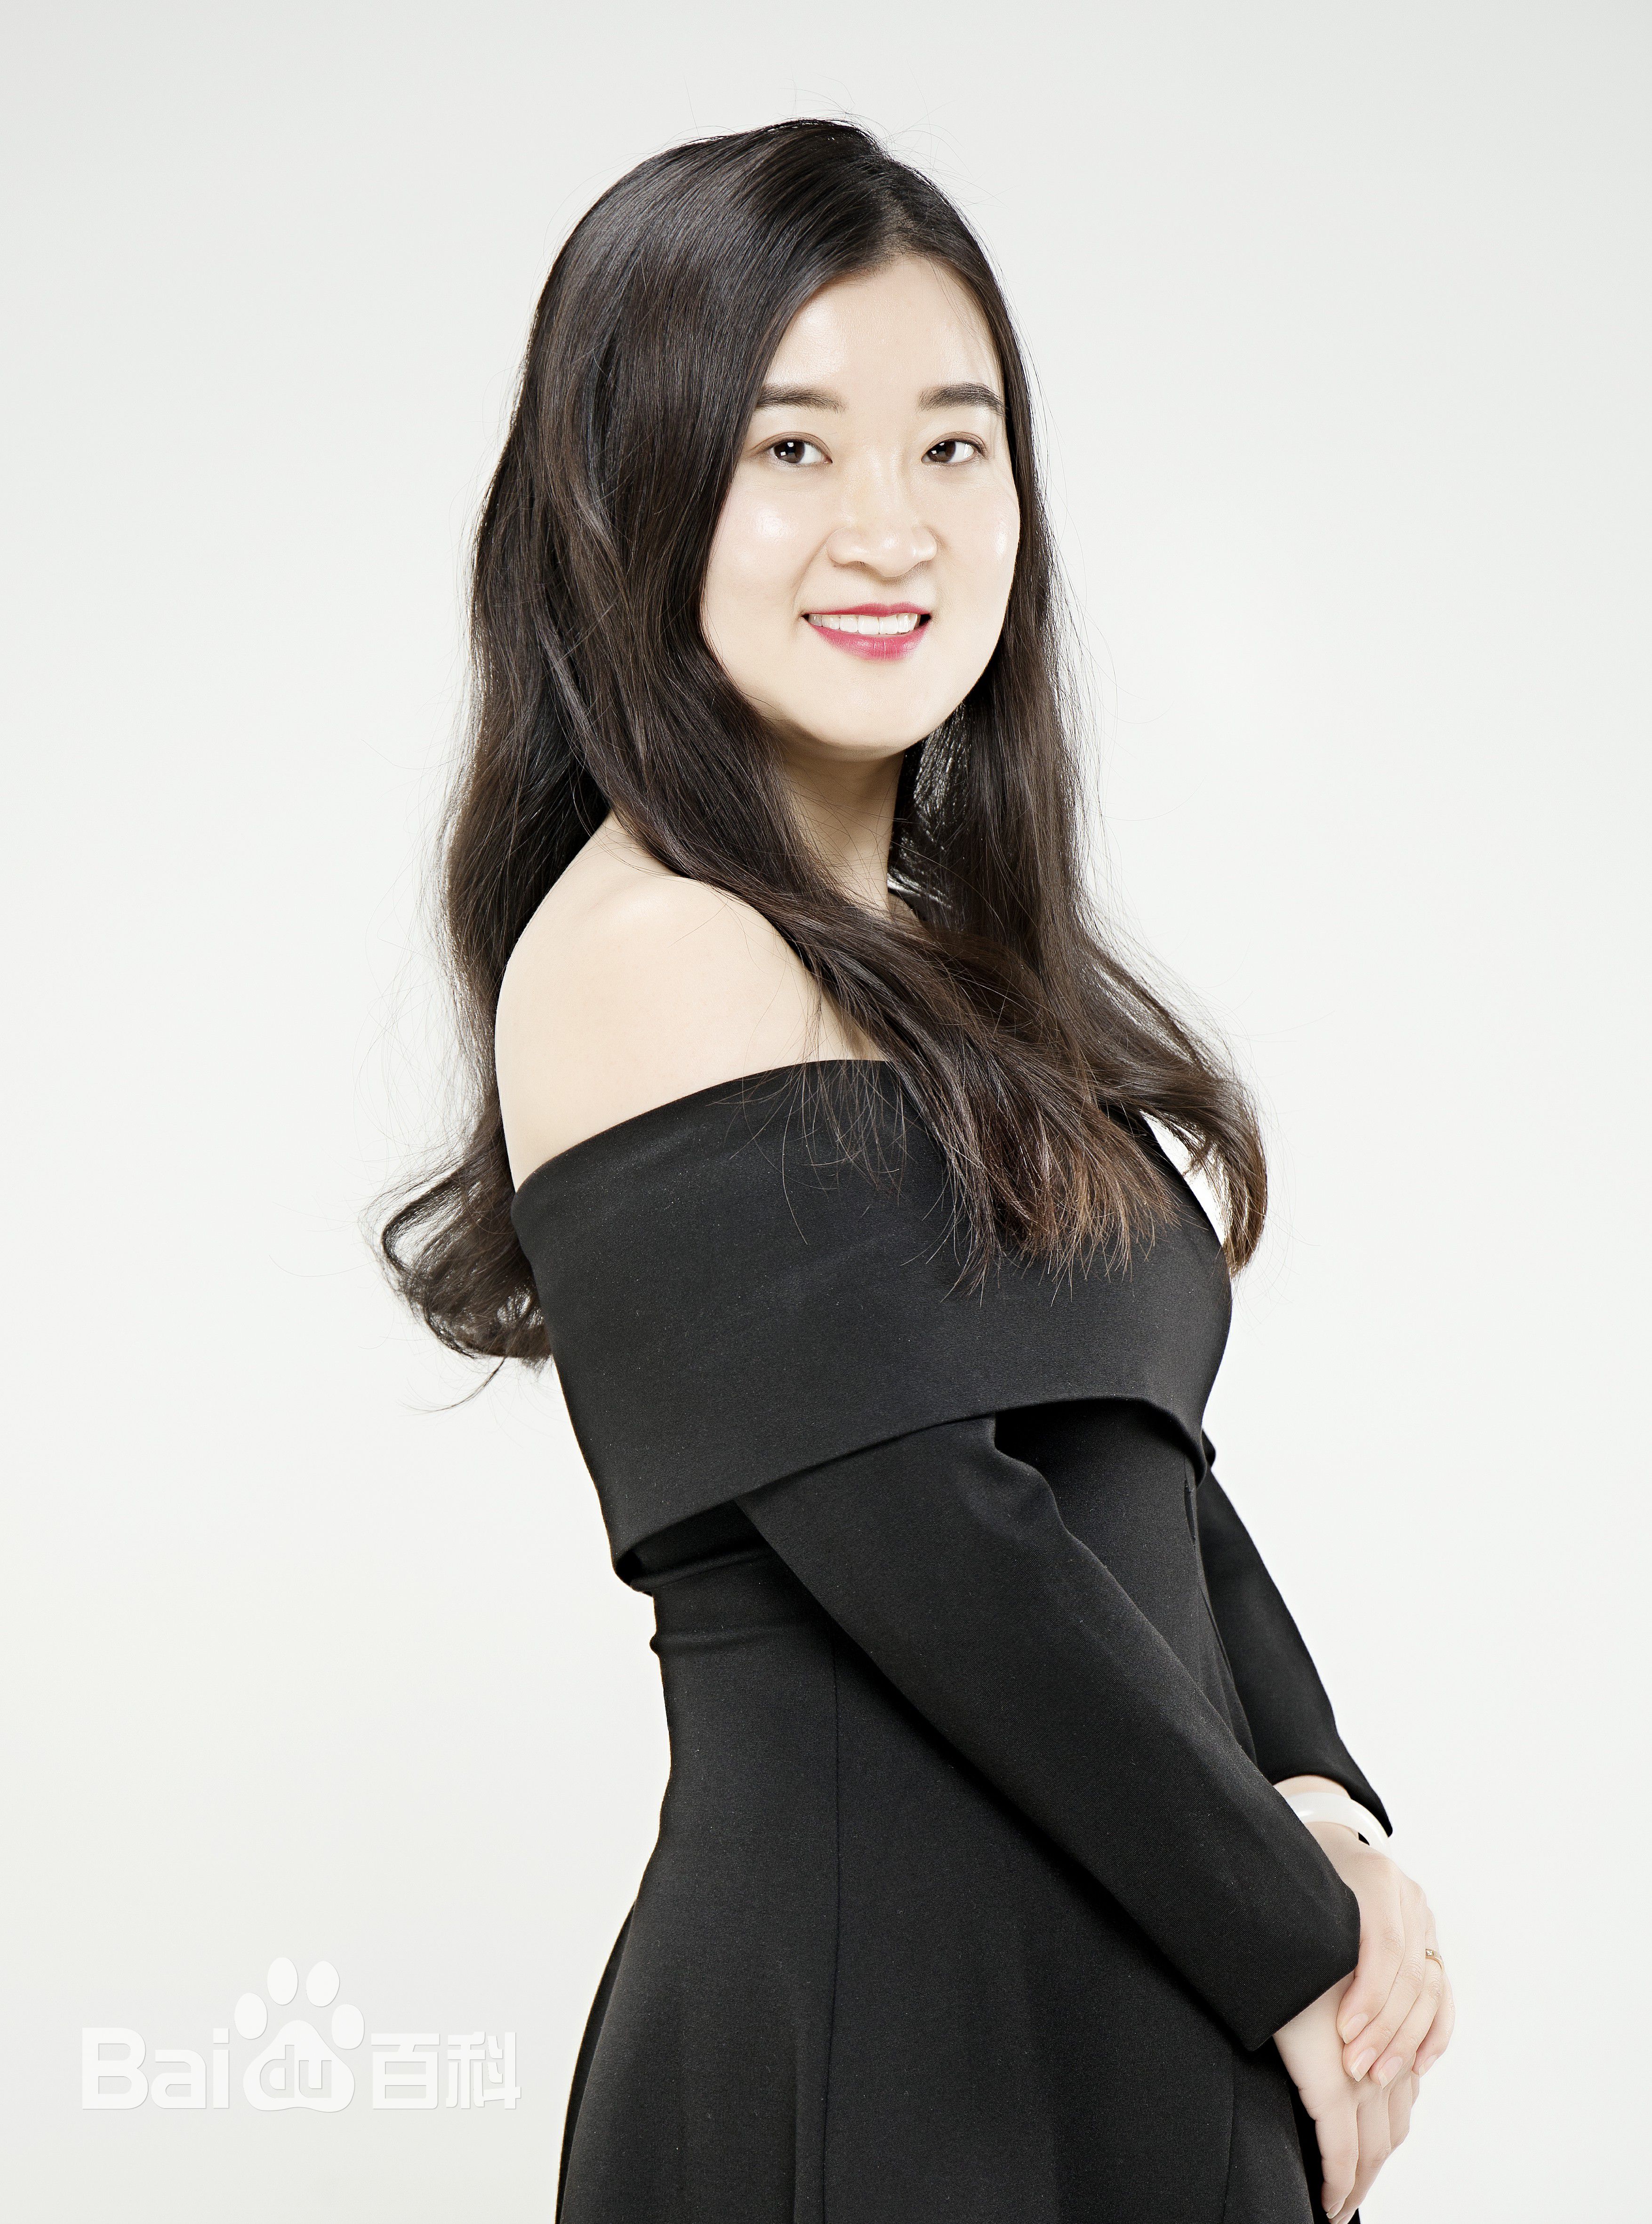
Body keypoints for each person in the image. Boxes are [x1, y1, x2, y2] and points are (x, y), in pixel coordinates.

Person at [382, 119, 1452, 2224]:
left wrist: (1327, 1806)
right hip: (882, 2054)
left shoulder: (956, 984)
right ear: (627, 488)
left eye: (954, 446)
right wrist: (1299, 1938)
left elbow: (1132, 1461)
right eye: (791, 447)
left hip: (1138, 2001)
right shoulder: (647, 946)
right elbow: (934, 1539)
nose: (891, 525)